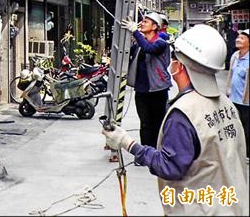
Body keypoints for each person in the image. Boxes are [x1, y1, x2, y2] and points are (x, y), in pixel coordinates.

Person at [103, 24, 249, 216]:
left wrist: (127, 143)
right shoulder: (227, 104)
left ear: (180, 67)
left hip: (200, 209)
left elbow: (169, 166)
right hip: (233, 206)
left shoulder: (184, 113)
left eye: (174, 59)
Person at [122, 11, 171, 148]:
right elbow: (129, 51)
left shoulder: (161, 43)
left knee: (158, 123)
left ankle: (158, 151)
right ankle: (146, 152)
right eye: (142, 21)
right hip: (142, 90)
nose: (142, 23)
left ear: (155, 27)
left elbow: (149, 48)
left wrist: (135, 31)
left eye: (146, 22)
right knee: (145, 123)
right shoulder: (139, 44)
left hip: (158, 89)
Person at [227, 28, 249, 161]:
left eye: (242, 38)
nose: (237, 39)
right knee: (235, 126)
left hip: (246, 101)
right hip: (234, 98)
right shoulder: (235, 56)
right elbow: (230, 75)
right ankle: (236, 150)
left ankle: (246, 153)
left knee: (246, 128)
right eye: (238, 37)